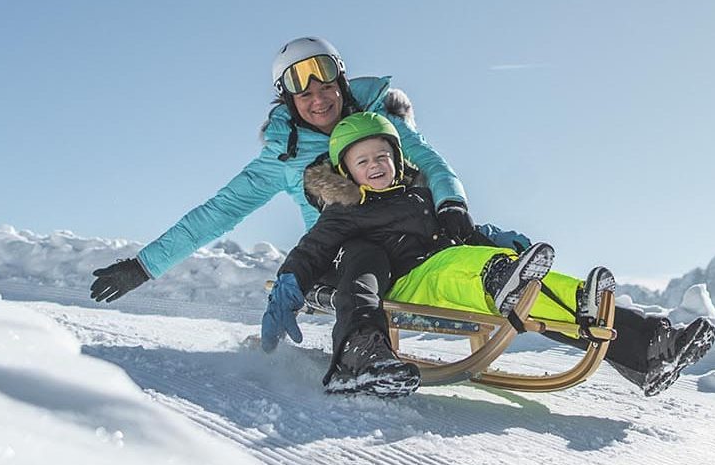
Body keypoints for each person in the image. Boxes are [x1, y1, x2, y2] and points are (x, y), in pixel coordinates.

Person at [89, 38, 713, 395]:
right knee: (399, 264)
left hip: (420, 236)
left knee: (492, 268)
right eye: (302, 89)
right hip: (354, 252)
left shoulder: (384, 124)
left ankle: (643, 343)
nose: (318, 95)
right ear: (289, 98)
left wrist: (455, 208)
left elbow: (433, 162)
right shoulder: (280, 160)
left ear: (339, 77)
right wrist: (144, 266)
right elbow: (213, 215)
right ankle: (363, 347)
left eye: (325, 80)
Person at [262, 112, 624, 396]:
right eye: (363, 161)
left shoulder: (420, 197)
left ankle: (607, 317)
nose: (375, 165)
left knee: (531, 283)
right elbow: (312, 250)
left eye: (383, 156)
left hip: (450, 270)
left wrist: (497, 237)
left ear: (397, 160)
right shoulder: (344, 211)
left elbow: (464, 231)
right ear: (346, 172)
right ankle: (361, 354)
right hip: (414, 280)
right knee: (463, 265)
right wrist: (288, 284)